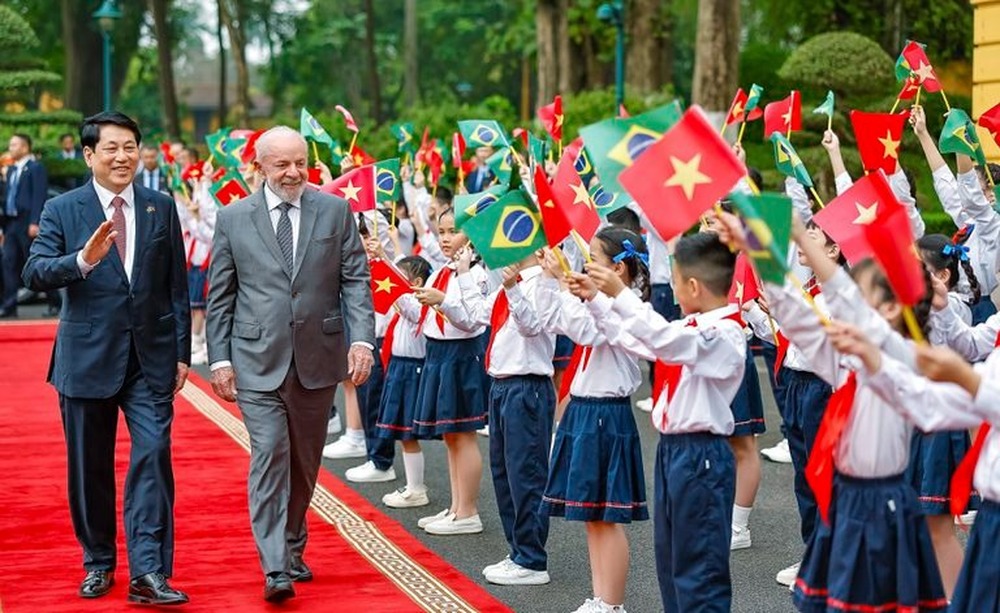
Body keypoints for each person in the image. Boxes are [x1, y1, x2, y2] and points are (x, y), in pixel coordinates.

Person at [21, 111, 191, 605]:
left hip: (150, 359)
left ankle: (148, 572)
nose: (122, 157)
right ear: (89, 154)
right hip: (86, 357)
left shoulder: (161, 206)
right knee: (89, 467)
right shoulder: (63, 208)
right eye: (111, 148)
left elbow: (175, 286)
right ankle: (98, 560)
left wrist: (181, 353)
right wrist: (82, 261)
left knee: (154, 453)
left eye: (130, 147)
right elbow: (34, 272)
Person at [205, 126, 376, 603]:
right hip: (256, 360)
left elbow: (355, 280)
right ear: (259, 167)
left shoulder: (334, 210)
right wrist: (220, 359)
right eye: (282, 164)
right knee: (270, 455)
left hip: (317, 360)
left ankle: (293, 544)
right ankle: (276, 565)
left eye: (300, 162)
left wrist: (362, 341)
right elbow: (221, 297)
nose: (294, 172)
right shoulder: (233, 218)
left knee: (304, 463)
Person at [587, 231, 746, 612]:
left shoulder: (726, 333)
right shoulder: (691, 327)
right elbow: (639, 340)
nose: (671, 290)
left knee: (698, 569)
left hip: (701, 456)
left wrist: (620, 295)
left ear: (693, 285)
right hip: (675, 452)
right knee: (672, 562)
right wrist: (597, 299)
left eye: (674, 281)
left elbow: (664, 341)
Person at [830, 333, 1000, 613]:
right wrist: (878, 364)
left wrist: (966, 378)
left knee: (935, 524)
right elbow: (937, 403)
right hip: (992, 518)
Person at [535, 228, 650, 613]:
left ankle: (612, 603)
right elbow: (551, 320)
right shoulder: (601, 301)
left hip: (605, 413)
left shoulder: (625, 305)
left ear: (618, 268)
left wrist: (564, 285)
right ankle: (601, 597)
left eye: (593, 260)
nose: (586, 267)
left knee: (606, 514)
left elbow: (584, 331)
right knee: (592, 514)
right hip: (587, 409)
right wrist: (551, 281)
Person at [446, 251, 557, 585]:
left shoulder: (544, 283)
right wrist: (464, 274)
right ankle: (518, 551)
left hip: (528, 385)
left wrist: (512, 289)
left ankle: (532, 559)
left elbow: (532, 326)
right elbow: (476, 316)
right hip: (502, 385)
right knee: (505, 474)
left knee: (526, 475)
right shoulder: (512, 283)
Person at [410, 209, 490, 536]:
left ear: (470, 235)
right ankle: (457, 507)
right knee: (450, 435)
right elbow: (423, 313)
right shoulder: (441, 272)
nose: (445, 238)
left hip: (461, 355)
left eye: (452, 231)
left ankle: (468, 511)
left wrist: (442, 300)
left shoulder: (476, 274)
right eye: (441, 231)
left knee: (463, 432)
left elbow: (471, 321)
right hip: (438, 353)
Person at [375, 255, 433, 507]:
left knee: (407, 433)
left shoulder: (418, 306)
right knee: (401, 433)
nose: (392, 282)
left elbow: (403, 300)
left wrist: (383, 261)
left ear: (417, 282)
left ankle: (416, 489)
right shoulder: (405, 304)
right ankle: (413, 486)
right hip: (399, 367)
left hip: (411, 370)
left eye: (399, 277)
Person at [1, 133, 48, 317]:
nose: (10, 148)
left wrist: (35, 221)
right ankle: (9, 306)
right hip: (11, 223)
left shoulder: (36, 167)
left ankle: (56, 301)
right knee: (8, 262)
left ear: (25, 147)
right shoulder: (11, 170)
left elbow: (39, 196)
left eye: (14, 145)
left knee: (35, 263)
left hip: (27, 223)